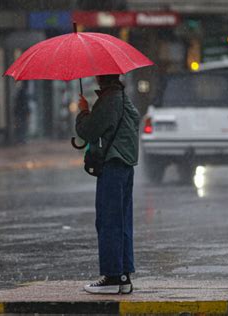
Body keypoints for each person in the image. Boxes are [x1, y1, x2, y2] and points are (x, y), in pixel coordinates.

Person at [75, 74, 140, 294]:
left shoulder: (110, 99)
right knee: (122, 221)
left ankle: (112, 276)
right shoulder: (122, 97)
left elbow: (87, 130)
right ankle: (123, 276)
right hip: (125, 165)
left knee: (109, 221)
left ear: (101, 77)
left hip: (112, 165)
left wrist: (83, 111)